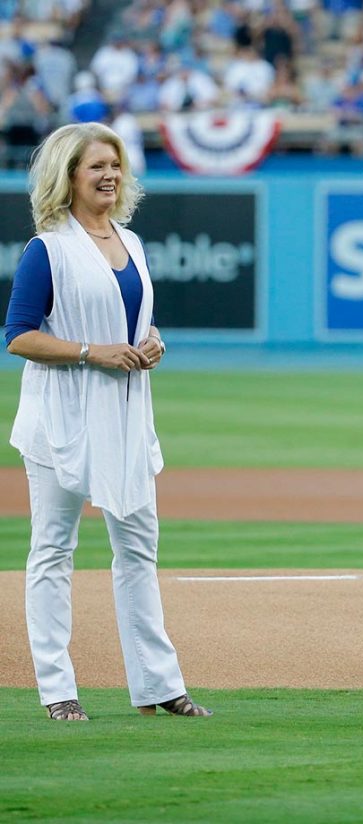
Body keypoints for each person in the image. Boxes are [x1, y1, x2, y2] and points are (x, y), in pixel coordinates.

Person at [4, 123, 212, 722]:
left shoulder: (132, 242)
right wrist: (91, 351)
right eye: (95, 166)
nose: (109, 175)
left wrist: (152, 344)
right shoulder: (49, 247)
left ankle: (159, 685)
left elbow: (137, 324)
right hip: (62, 417)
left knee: (138, 551)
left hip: (125, 418)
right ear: (68, 175)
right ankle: (56, 689)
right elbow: (17, 336)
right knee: (52, 551)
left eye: (115, 165)